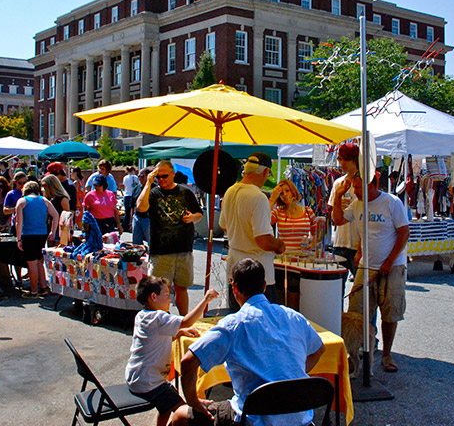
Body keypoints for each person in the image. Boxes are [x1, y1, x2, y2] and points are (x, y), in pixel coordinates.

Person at [171, 258, 325, 426]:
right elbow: (319, 349)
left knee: (179, 415)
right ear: (265, 286)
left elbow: (187, 361)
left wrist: (194, 402)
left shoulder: (234, 325)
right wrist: (290, 381)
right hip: (301, 419)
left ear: (234, 288)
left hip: (252, 419)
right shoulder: (293, 316)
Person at [332, 171, 409, 373]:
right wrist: (338, 196)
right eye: (354, 187)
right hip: (366, 266)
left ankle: (386, 354)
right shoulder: (357, 204)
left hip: (392, 266)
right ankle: (356, 354)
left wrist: (390, 261)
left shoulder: (392, 202)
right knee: (356, 312)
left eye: (359, 188)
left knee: (389, 313)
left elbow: (404, 233)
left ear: (373, 185)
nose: (356, 192)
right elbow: (338, 220)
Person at [125, 277, 218, 426]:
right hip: (149, 383)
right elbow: (187, 321)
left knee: (169, 401)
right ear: (153, 297)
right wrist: (205, 300)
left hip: (136, 376)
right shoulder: (158, 317)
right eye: (167, 295)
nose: (170, 299)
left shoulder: (142, 315)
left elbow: (155, 338)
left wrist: (180, 333)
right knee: (185, 412)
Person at [219, 153, 285, 310]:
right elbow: (263, 240)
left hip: (235, 267)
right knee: (263, 324)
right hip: (257, 273)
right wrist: (279, 244)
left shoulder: (230, 191)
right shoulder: (258, 197)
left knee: (237, 319)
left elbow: (223, 225)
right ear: (264, 172)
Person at [137, 161, 203, 315]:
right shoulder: (153, 193)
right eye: (158, 177)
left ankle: (183, 321)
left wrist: (193, 217)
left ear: (173, 173)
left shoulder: (185, 192)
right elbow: (141, 207)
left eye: (164, 176)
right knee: (158, 291)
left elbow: (199, 213)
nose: (161, 180)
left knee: (182, 288)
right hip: (161, 252)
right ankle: (161, 323)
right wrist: (148, 183)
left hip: (183, 249)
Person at [15, 181, 59, 298]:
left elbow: (18, 222)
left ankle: (34, 290)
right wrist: (53, 231)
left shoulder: (22, 201)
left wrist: (18, 239)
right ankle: (43, 286)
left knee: (32, 263)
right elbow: (55, 215)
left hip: (28, 234)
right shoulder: (44, 201)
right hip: (42, 233)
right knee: (39, 260)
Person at [327, 143, 360, 280]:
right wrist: (337, 203)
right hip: (340, 242)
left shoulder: (364, 183)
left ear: (355, 159)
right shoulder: (338, 183)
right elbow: (334, 216)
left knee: (362, 291)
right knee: (335, 288)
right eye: (340, 159)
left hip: (358, 243)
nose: (342, 163)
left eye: (346, 159)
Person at [269, 178, 316, 253]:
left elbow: (316, 235)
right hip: (284, 258)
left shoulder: (308, 212)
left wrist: (311, 245)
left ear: (293, 191)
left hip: (303, 258)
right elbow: (262, 220)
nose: (284, 195)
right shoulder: (277, 212)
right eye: (281, 193)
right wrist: (272, 199)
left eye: (287, 191)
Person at [40, 173, 70, 245]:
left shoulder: (62, 199)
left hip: (59, 230)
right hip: (48, 227)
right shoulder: (49, 199)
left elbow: (66, 217)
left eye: (45, 186)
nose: (44, 189)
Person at [122, 165, 141, 232]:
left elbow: (125, 186)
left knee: (127, 212)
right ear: (133, 170)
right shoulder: (135, 177)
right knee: (133, 212)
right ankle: (132, 226)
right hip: (133, 195)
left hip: (126, 195)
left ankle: (124, 226)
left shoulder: (125, 178)